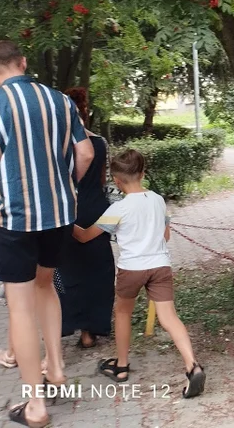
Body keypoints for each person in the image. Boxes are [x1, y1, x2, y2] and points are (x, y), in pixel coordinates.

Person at [0, 40, 94, 428]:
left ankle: (35, 405)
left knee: (19, 306)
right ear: (24, 62)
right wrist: (67, 191)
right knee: (46, 287)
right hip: (59, 214)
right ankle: (58, 368)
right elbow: (84, 154)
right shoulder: (60, 102)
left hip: (13, 218)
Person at [73, 149, 206, 398]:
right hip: (160, 266)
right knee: (169, 318)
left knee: (122, 312)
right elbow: (165, 235)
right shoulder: (157, 200)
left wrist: (66, 220)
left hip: (131, 269)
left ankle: (121, 367)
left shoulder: (118, 209)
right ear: (143, 173)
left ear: (116, 180)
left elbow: (84, 237)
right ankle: (192, 365)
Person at [56, 87, 114, 349]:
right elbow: (103, 182)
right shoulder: (99, 142)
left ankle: (68, 323)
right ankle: (91, 331)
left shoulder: (56, 145)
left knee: (67, 270)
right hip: (97, 210)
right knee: (98, 270)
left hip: (66, 211)